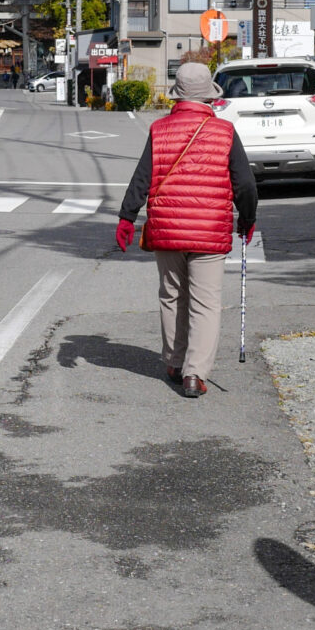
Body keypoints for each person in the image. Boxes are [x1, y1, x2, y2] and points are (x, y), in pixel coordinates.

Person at [115, 62, 257, 399]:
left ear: (177, 94)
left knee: (171, 294)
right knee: (205, 303)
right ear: (209, 96)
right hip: (209, 230)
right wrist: (247, 220)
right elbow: (246, 185)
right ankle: (195, 374)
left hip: (166, 227)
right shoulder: (224, 132)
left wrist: (126, 217)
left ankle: (175, 363)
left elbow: (142, 178)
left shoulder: (159, 129)